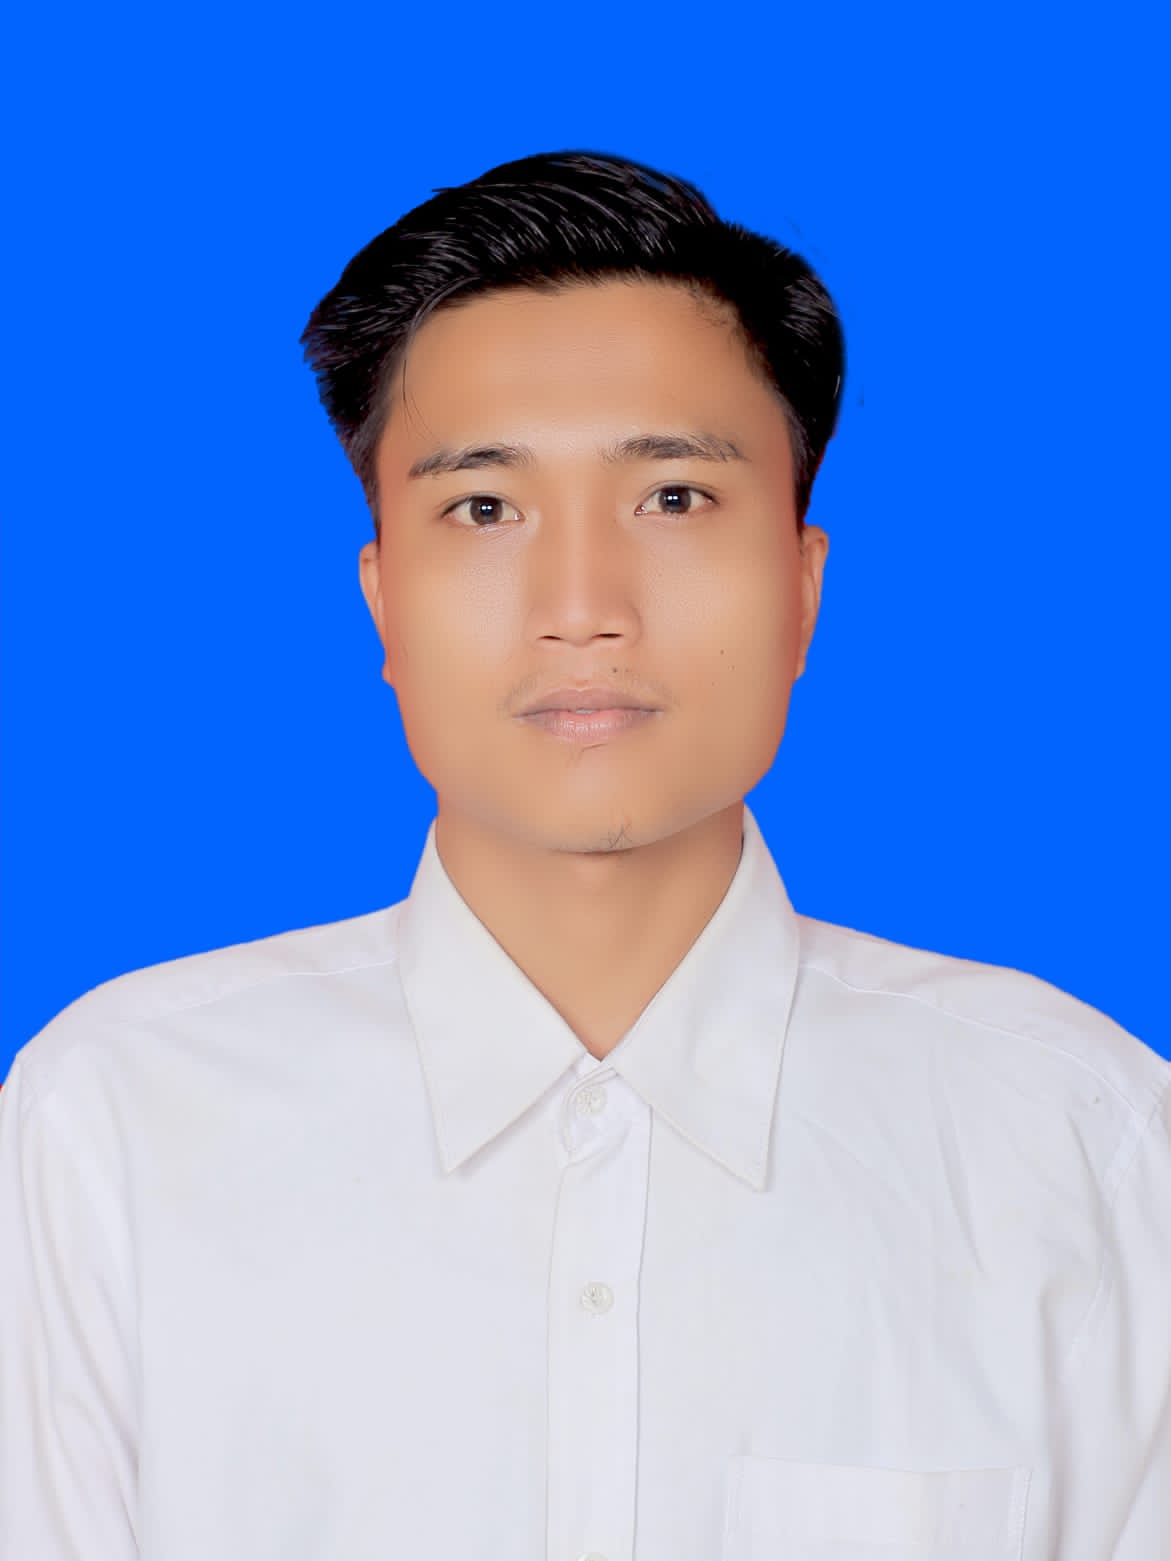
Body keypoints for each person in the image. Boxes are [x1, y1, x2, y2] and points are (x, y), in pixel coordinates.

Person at [1, 149, 1167, 1561]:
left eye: (673, 498)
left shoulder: (1082, 1142)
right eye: (484, 509)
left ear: (803, 587)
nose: (582, 607)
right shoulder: (115, 1126)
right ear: (383, 597)